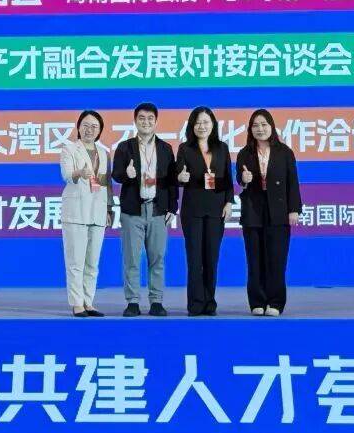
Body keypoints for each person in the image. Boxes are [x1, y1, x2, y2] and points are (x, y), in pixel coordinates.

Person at [112, 102, 178, 317]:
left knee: (157, 258)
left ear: (156, 122)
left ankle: (156, 301)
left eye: (150, 118)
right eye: (141, 118)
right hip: (133, 210)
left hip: (158, 210)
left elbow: (172, 181)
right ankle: (132, 302)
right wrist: (127, 174)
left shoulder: (165, 148)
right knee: (131, 259)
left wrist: (173, 206)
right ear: (135, 121)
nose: (146, 122)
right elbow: (116, 175)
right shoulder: (125, 147)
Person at [236, 108, 302, 316]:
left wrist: (294, 209)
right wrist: (243, 180)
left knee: (276, 258)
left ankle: (275, 302)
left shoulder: (285, 152)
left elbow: (293, 183)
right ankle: (257, 301)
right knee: (254, 259)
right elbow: (239, 180)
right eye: (255, 125)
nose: (260, 129)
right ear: (250, 130)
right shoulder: (244, 153)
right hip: (253, 210)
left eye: (264, 124)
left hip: (279, 210)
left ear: (272, 127)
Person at [176, 106, 233, 316]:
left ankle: (209, 301)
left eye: (206, 122)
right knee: (194, 258)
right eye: (198, 122)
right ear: (192, 126)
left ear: (213, 125)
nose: (202, 126)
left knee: (211, 258)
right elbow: (178, 175)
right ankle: (195, 303)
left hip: (217, 209)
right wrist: (180, 178)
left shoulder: (222, 148)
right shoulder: (185, 148)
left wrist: (229, 202)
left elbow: (228, 178)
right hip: (193, 210)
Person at [59, 110, 113, 317]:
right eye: (86, 125)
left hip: (98, 211)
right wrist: (79, 173)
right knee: (76, 262)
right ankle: (77, 304)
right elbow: (66, 175)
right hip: (76, 212)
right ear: (79, 127)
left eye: (94, 126)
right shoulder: (69, 149)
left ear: (100, 130)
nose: (90, 130)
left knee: (92, 262)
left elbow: (107, 184)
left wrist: (109, 209)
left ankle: (89, 302)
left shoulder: (104, 153)